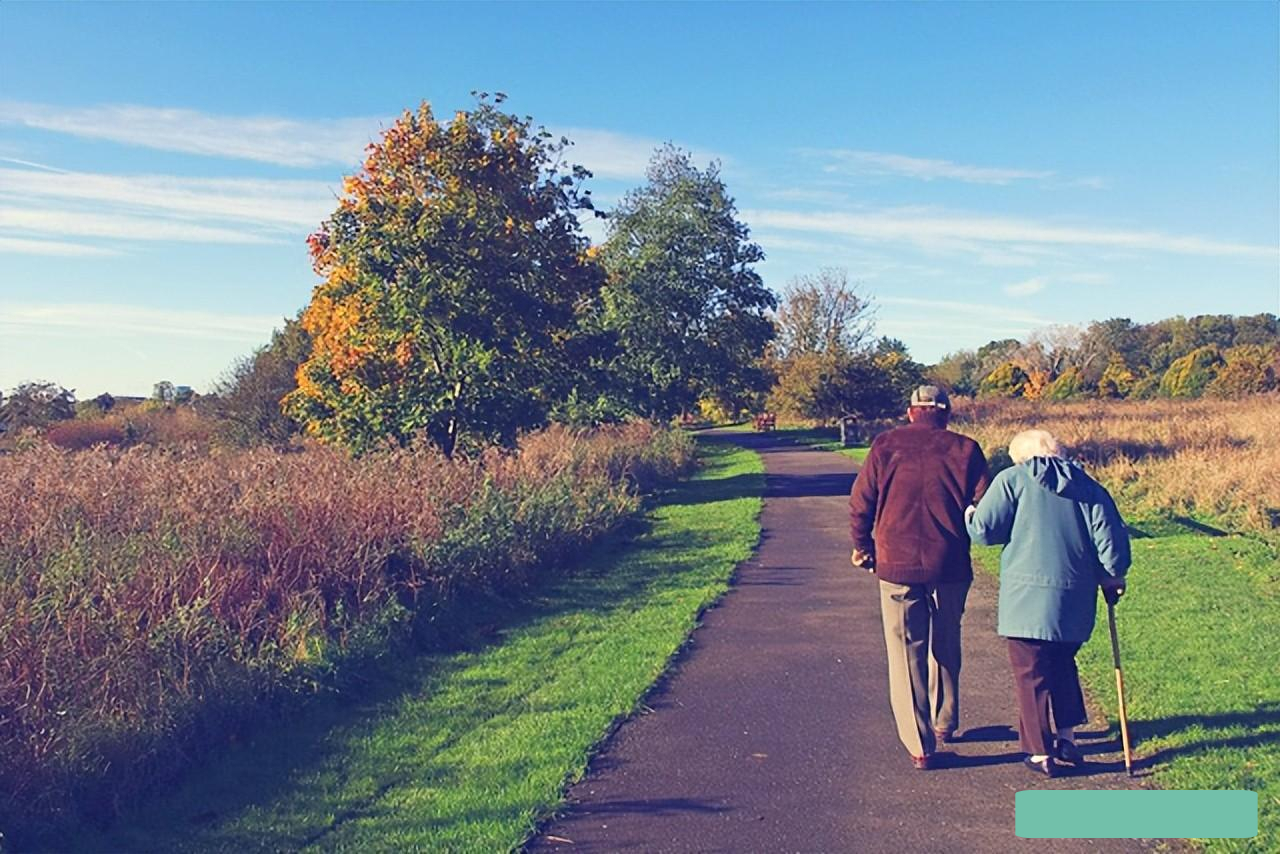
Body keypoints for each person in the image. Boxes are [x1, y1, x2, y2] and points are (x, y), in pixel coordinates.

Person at [965, 429, 1130, 778]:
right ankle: (1067, 737)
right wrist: (1113, 576)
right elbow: (1111, 545)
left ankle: (1040, 751)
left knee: (1030, 673)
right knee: (1062, 664)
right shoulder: (1089, 486)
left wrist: (969, 514)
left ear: (1020, 457)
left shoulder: (1012, 480)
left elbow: (984, 531)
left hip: (1025, 600)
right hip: (1075, 597)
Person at [848, 385, 990, 769]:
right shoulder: (966, 449)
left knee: (905, 651)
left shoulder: (885, 445)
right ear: (946, 413)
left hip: (896, 564)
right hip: (950, 565)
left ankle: (920, 745)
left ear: (911, 412)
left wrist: (863, 546)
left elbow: (861, 502)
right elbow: (984, 507)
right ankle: (945, 721)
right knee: (946, 641)